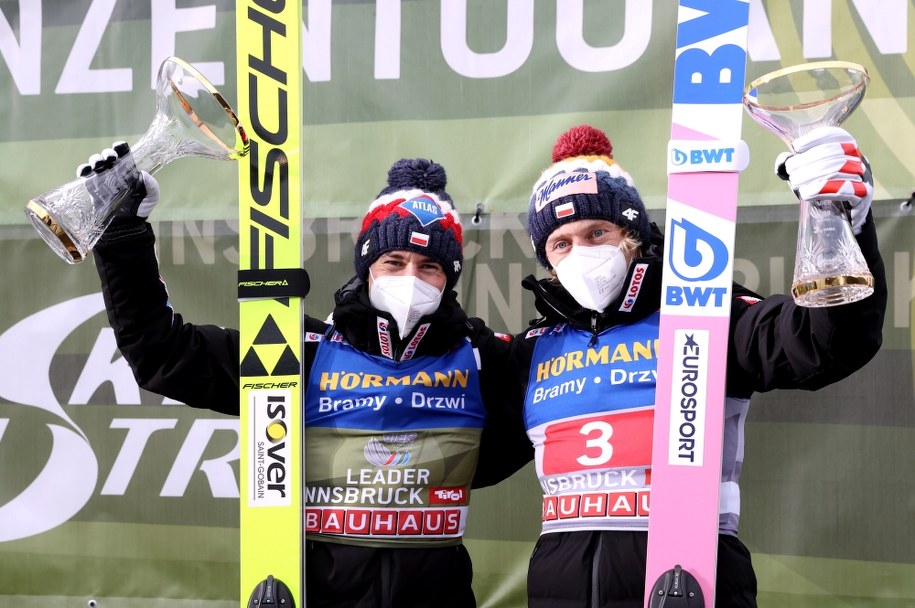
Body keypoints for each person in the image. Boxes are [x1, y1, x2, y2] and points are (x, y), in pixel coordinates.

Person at [87, 149, 531, 608]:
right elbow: (162, 352)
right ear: (367, 266)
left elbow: (563, 383)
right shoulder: (304, 351)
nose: (410, 278)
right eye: (394, 261)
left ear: (449, 277)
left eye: (429, 267)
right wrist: (122, 234)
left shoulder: (481, 356)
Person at [508, 124, 887, 607]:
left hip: (692, 583)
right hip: (560, 591)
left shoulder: (703, 314)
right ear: (547, 259)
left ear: (631, 234)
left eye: (597, 233)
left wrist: (838, 221)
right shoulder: (534, 350)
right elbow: (465, 448)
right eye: (561, 243)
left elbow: (824, 342)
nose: (581, 253)